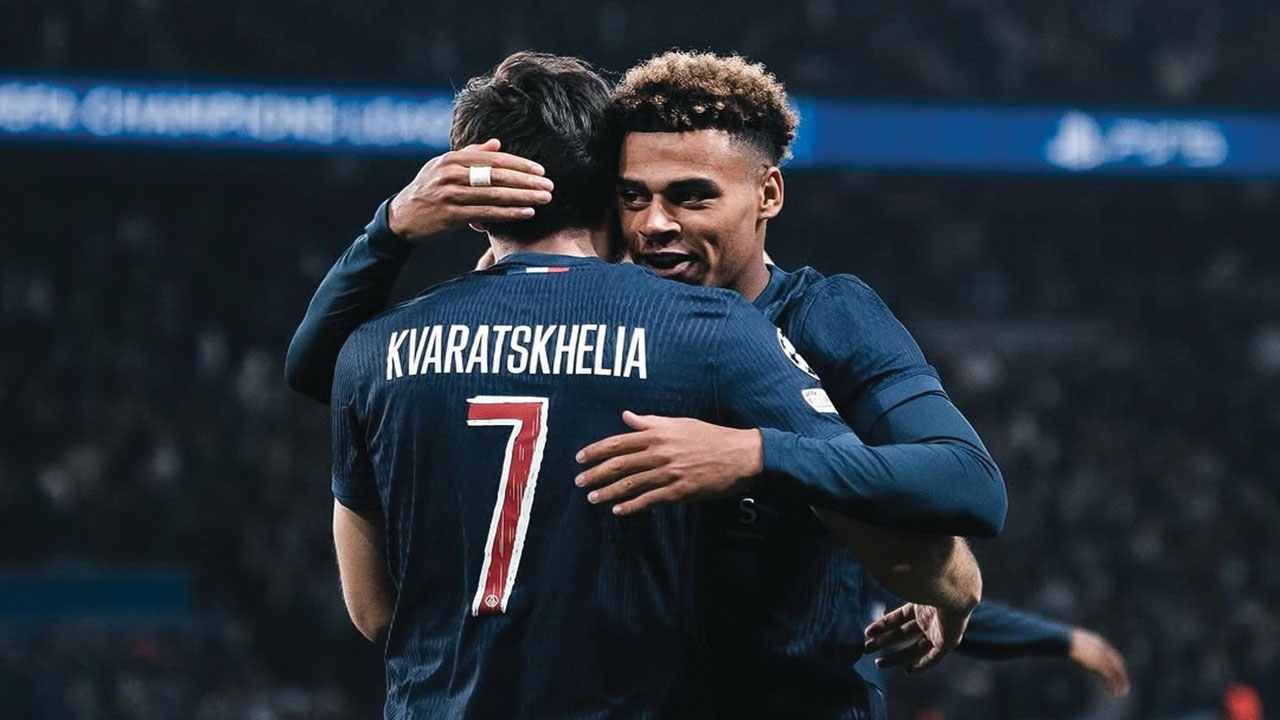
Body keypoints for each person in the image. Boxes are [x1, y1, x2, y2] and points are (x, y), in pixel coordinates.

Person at [321, 51, 984, 719]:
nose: (654, 224)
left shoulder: (819, 316)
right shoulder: (652, 329)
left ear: (769, 195)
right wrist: (392, 229)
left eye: (691, 196)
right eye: (632, 197)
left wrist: (757, 454)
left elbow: (967, 485)